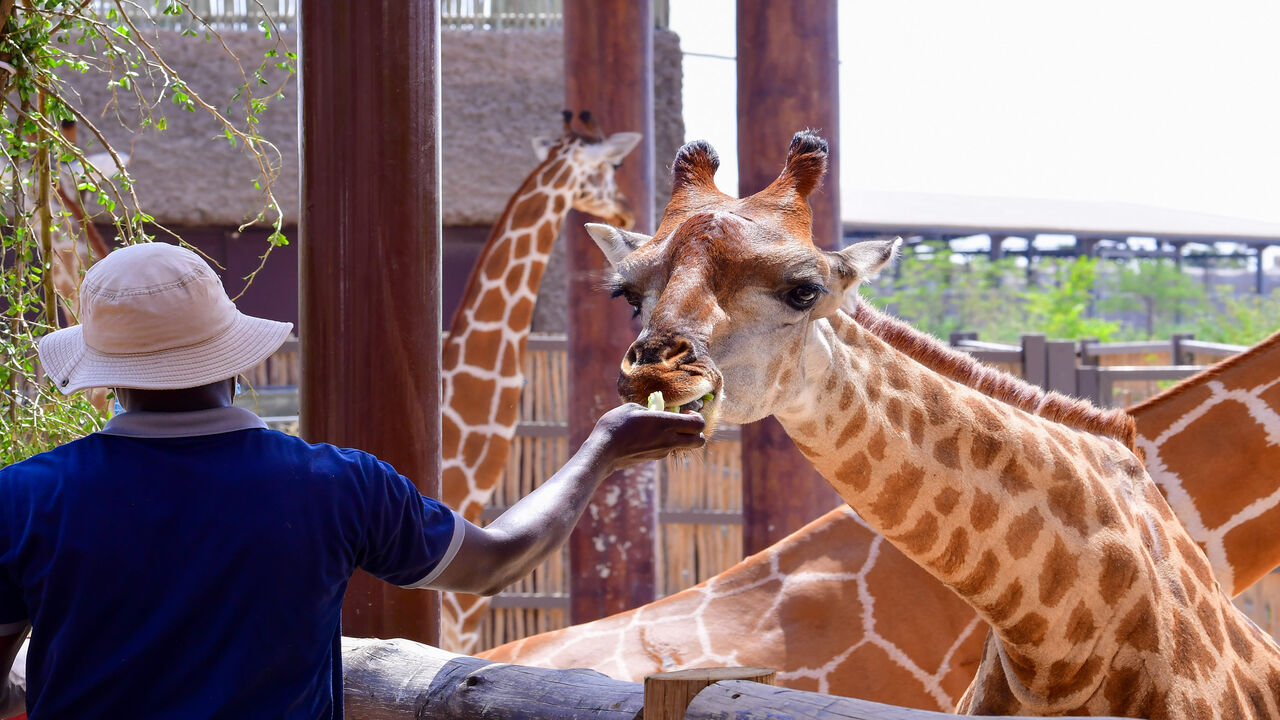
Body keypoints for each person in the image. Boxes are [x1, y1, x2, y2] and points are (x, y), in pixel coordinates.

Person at [0, 242, 704, 719]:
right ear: (232, 358)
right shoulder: (334, 485)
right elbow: (494, 563)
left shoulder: (25, 498)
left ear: (108, 376)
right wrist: (603, 447)